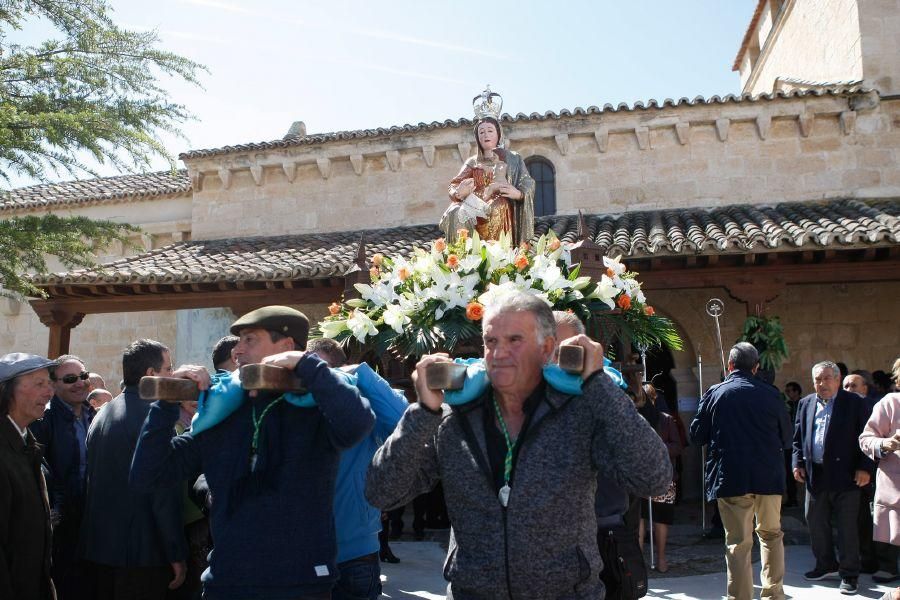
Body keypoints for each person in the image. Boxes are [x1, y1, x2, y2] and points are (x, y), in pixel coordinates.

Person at [366, 292, 671, 599]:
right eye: (491, 341)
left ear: (547, 348)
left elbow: (653, 477)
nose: (499, 353)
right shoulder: (453, 418)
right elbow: (382, 492)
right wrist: (423, 411)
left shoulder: (580, 413)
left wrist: (598, 384)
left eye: (515, 340)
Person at [130, 306, 375, 600]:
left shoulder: (316, 413)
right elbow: (147, 475)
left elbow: (359, 422)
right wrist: (167, 401)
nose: (237, 350)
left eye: (250, 340)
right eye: (238, 341)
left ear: (286, 347)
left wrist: (308, 366)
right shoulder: (223, 412)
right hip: (228, 583)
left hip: (301, 586)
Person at [80, 340, 188, 600]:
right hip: (141, 555)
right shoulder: (155, 418)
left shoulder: (104, 412)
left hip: (100, 550)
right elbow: (162, 493)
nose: (172, 376)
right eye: (169, 369)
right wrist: (175, 553)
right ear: (151, 374)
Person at [553, 310, 648, 599]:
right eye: (546, 349)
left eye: (565, 350)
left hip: (603, 531)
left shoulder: (607, 388)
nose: (556, 359)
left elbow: (649, 471)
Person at [306, 337, 407, 599]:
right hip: (302, 552)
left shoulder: (363, 406)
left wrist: (362, 374)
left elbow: (404, 422)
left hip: (355, 553)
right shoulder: (295, 407)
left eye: (324, 372)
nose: (317, 380)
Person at [690, 342, 791, 600]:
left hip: (731, 477)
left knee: (738, 543)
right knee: (771, 535)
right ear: (756, 367)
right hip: (768, 477)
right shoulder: (772, 394)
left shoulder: (715, 393)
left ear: (730, 366)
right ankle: (773, 594)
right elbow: (786, 438)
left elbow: (697, 435)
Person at [794, 360, 875, 595]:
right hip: (815, 476)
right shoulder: (805, 403)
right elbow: (799, 438)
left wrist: (865, 468)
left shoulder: (855, 404)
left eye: (827, 378)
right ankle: (826, 564)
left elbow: (868, 437)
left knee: (847, 527)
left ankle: (849, 574)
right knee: (815, 522)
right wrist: (797, 463)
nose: (822, 383)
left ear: (838, 380)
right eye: (818, 379)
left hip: (847, 476)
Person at [29, 354, 97, 600]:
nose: (80, 383)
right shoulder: (43, 421)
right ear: (54, 385)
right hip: (62, 526)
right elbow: (41, 471)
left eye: (83, 376)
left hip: (91, 521)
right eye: (70, 379)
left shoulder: (94, 416)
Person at [440, 89, 535, 245]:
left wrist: (519, 194)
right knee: (455, 211)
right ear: (477, 137)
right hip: (474, 207)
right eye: (481, 132)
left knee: (499, 206)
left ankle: (498, 256)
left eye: (490, 131)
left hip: (500, 207)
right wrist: (458, 192)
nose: (486, 135)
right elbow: (454, 184)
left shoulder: (513, 159)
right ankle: (463, 254)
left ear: (498, 134)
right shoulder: (472, 162)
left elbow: (528, 182)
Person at [0, 353, 57, 600]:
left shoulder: (26, 443)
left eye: (49, 383)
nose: (50, 392)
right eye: (39, 384)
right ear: (7, 390)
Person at [858, 358, 900, 584]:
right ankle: (888, 565)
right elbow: (866, 438)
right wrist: (886, 444)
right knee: (890, 534)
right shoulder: (891, 403)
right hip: (895, 486)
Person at [637, 382, 681, 574]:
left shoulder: (666, 420)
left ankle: (661, 558)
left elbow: (677, 446)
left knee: (660, 518)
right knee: (638, 519)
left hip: (662, 476)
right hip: (638, 477)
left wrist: (659, 450)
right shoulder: (634, 420)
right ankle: (638, 561)